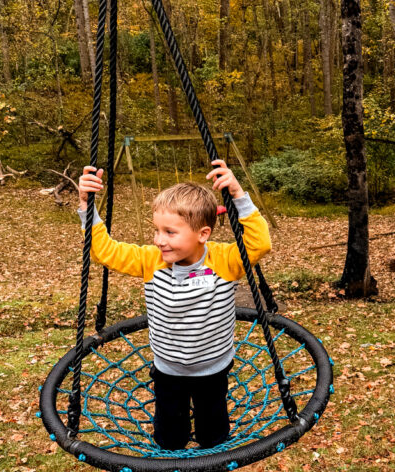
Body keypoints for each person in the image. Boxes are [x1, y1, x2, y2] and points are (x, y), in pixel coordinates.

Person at [77, 159, 271, 450]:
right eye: (157, 230)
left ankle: (211, 450)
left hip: (213, 368)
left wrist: (238, 195)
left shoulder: (225, 260)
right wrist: (86, 205)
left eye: (170, 232)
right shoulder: (150, 260)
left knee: (213, 432)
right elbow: (105, 252)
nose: (159, 240)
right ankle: (172, 450)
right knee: (169, 434)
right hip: (168, 369)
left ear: (202, 234)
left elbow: (260, 244)